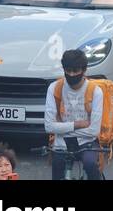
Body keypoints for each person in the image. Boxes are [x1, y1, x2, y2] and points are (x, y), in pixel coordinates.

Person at [44, 50, 103, 181]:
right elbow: (48, 126)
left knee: (90, 164)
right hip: (61, 144)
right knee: (57, 165)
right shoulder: (54, 88)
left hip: (87, 143)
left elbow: (94, 131)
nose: (71, 74)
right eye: (68, 70)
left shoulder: (95, 92)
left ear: (84, 70)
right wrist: (78, 124)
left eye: (76, 70)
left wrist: (61, 129)